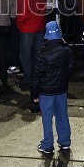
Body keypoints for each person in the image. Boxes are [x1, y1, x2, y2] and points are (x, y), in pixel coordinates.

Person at [32, 21, 75, 154]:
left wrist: (34, 94)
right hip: (61, 90)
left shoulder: (41, 52)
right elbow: (71, 68)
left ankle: (47, 145)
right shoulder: (66, 49)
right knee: (62, 115)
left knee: (47, 118)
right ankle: (65, 142)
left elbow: (36, 76)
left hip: (46, 92)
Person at [15, 0, 46, 89]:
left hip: (28, 28)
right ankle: (38, 75)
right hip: (40, 25)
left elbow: (22, 14)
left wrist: (19, 24)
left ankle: (29, 78)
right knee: (37, 54)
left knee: (25, 55)